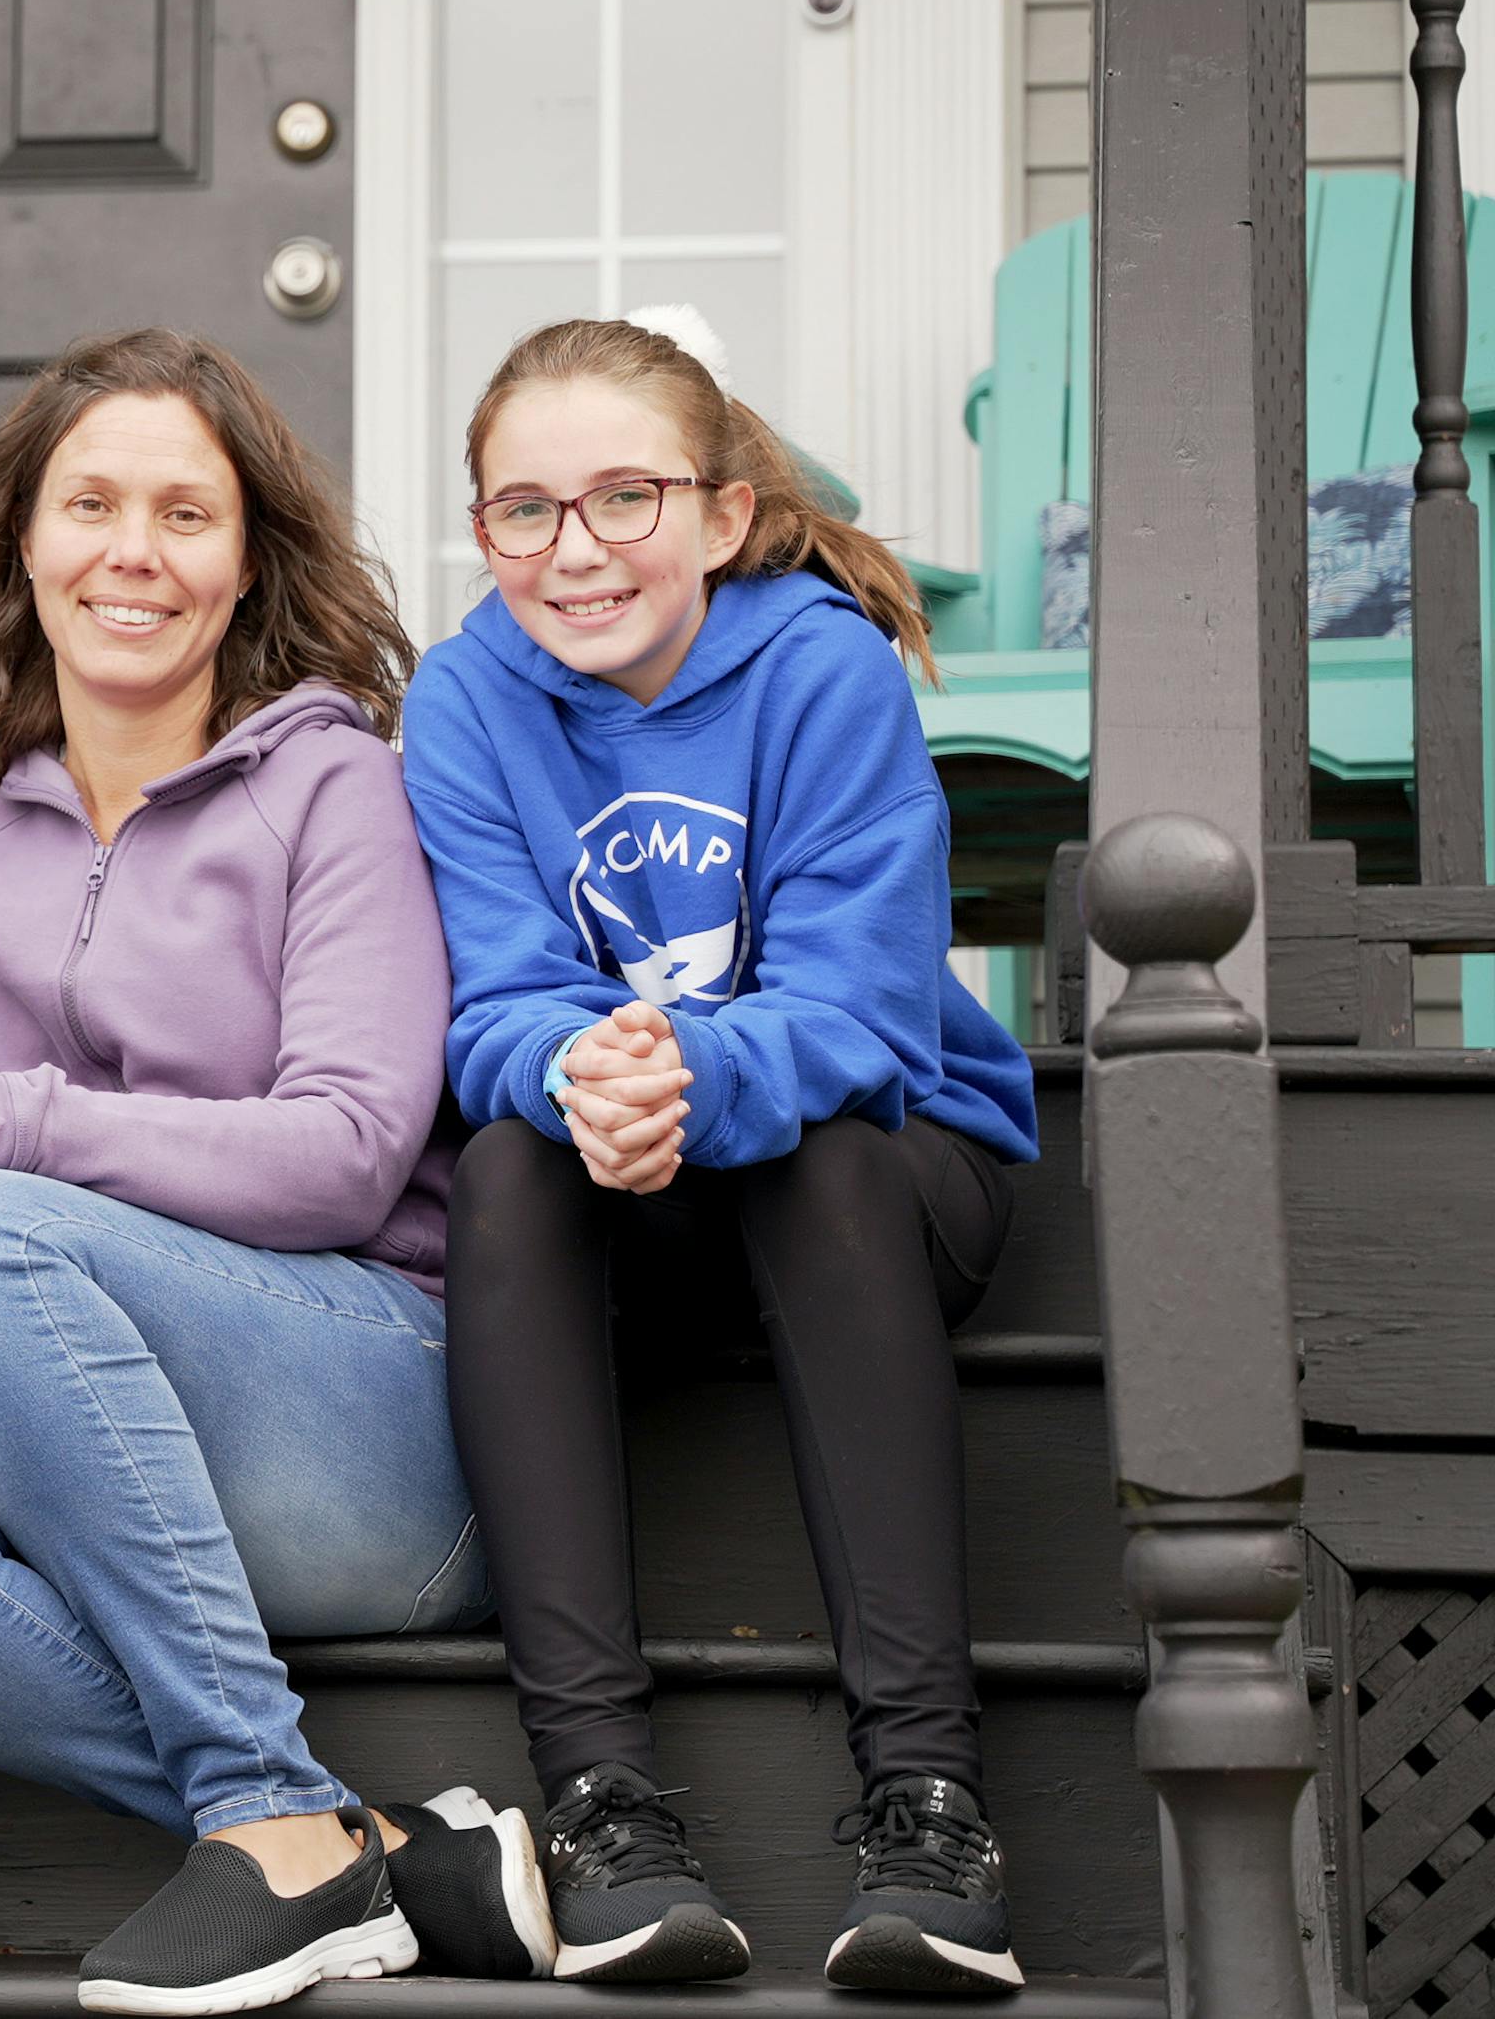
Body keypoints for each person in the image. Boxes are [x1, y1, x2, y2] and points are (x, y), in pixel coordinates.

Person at [0, 328, 558, 2013]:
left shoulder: (331, 783)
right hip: (98, 1439)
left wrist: (2, 1117)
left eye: (185, 513)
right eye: (91, 503)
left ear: (248, 560)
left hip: (381, 1419)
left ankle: (273, 1817)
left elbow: (350, 1154)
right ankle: (318, 1829)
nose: (134, 551)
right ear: (21, 547)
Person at [401, 313, 1038, 1993]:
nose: (576, 547)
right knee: (502, 1165)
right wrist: (572, 1070)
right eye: (523, 507)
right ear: (483, 530)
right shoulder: (467, 694)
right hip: (634, 1191)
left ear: (724, 513)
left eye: (625, 495)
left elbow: (868, 1015)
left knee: (818, 1151)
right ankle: (606, 1801)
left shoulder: (821, 667)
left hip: (889, 1184)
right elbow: (490, 1006)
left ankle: (929, 1795)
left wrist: (682, 1065)